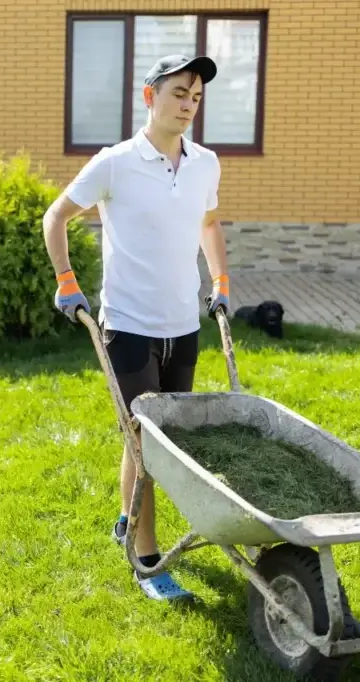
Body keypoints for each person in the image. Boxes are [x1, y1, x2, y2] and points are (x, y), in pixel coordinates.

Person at [42, 54, 230, 601]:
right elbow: (56, 217)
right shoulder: (115, 162)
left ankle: (127, 521)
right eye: (179, 93)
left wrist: (220, 277)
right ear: (150, 97)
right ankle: (147, 561)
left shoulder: (205, 164)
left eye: (196, 96)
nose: (189, 104)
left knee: (157, 437)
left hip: (182, 325)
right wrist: (66, 280)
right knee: (148, 442)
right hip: (127, 326)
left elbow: (208, 221)